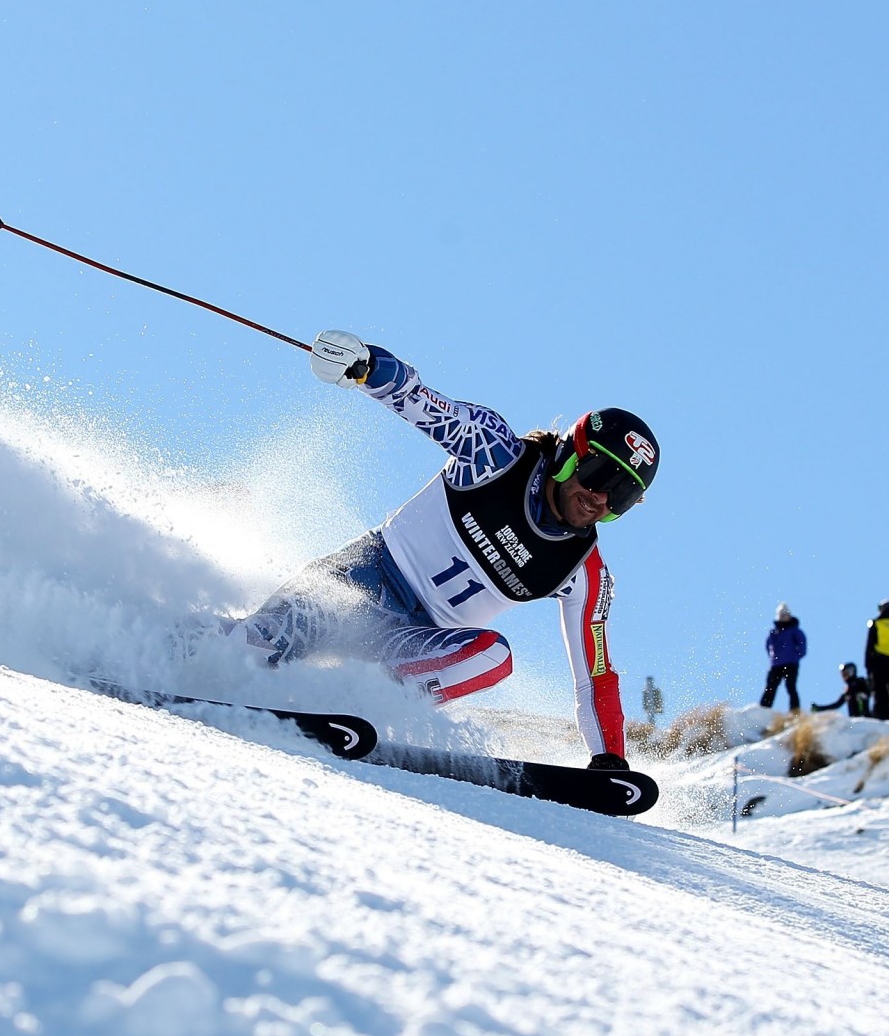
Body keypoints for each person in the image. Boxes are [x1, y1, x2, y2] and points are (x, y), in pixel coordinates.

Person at [237, 330, 658, 771]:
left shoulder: (583, 571)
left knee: (494, 657)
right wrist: (366, 366)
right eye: (599, 476)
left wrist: (609, 758)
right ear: (572, 455)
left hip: (412, 643)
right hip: (361, 581)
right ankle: (192, 647)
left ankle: (348, 701)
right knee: (250, 648)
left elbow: (595, 675)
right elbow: (419, 400)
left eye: (623, 495)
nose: (601, 498)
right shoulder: (494, 454)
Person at [760, 603, 807, 710]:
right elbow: (768, 646)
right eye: (782, 615)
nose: (784, 617)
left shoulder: (794, 630)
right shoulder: (774, 633)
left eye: (786, 614)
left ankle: (795, 710)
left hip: (790, 663)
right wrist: (773, 658)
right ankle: (763, 709)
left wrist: (795, 656)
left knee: (790, 686)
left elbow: (802, 645)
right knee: (770, 687)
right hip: (776, 665)